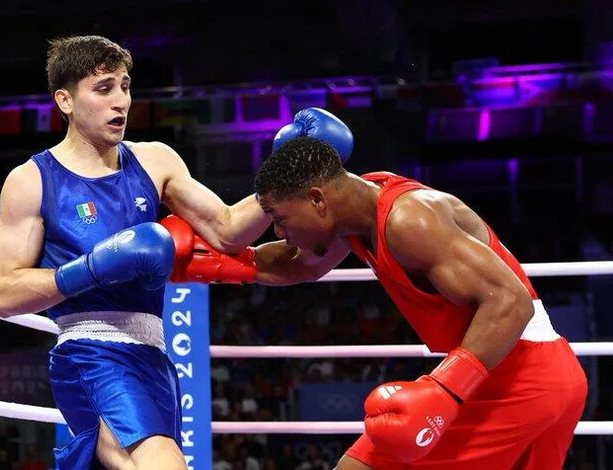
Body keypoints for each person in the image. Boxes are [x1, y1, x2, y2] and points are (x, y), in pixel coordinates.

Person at [248, 108, 588, 468]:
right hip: (516, 373)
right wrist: (216, 265)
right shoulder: (353, 215)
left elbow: (510, 301)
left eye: (281, 219)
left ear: (317, 200)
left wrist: (444, 389)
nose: (280, 233)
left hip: (520, 377)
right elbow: (296, 264)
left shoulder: (409, 221)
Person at [0, 35, 268, 470]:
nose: (121, 101)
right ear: (65, 100)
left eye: (125, 86)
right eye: (104, 89)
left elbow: (228, 229)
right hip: (89, 348)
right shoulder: (32, 180)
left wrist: (284, 181)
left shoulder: (156, 160)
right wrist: (94, 269)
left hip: (153, 355)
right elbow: (4, 293)